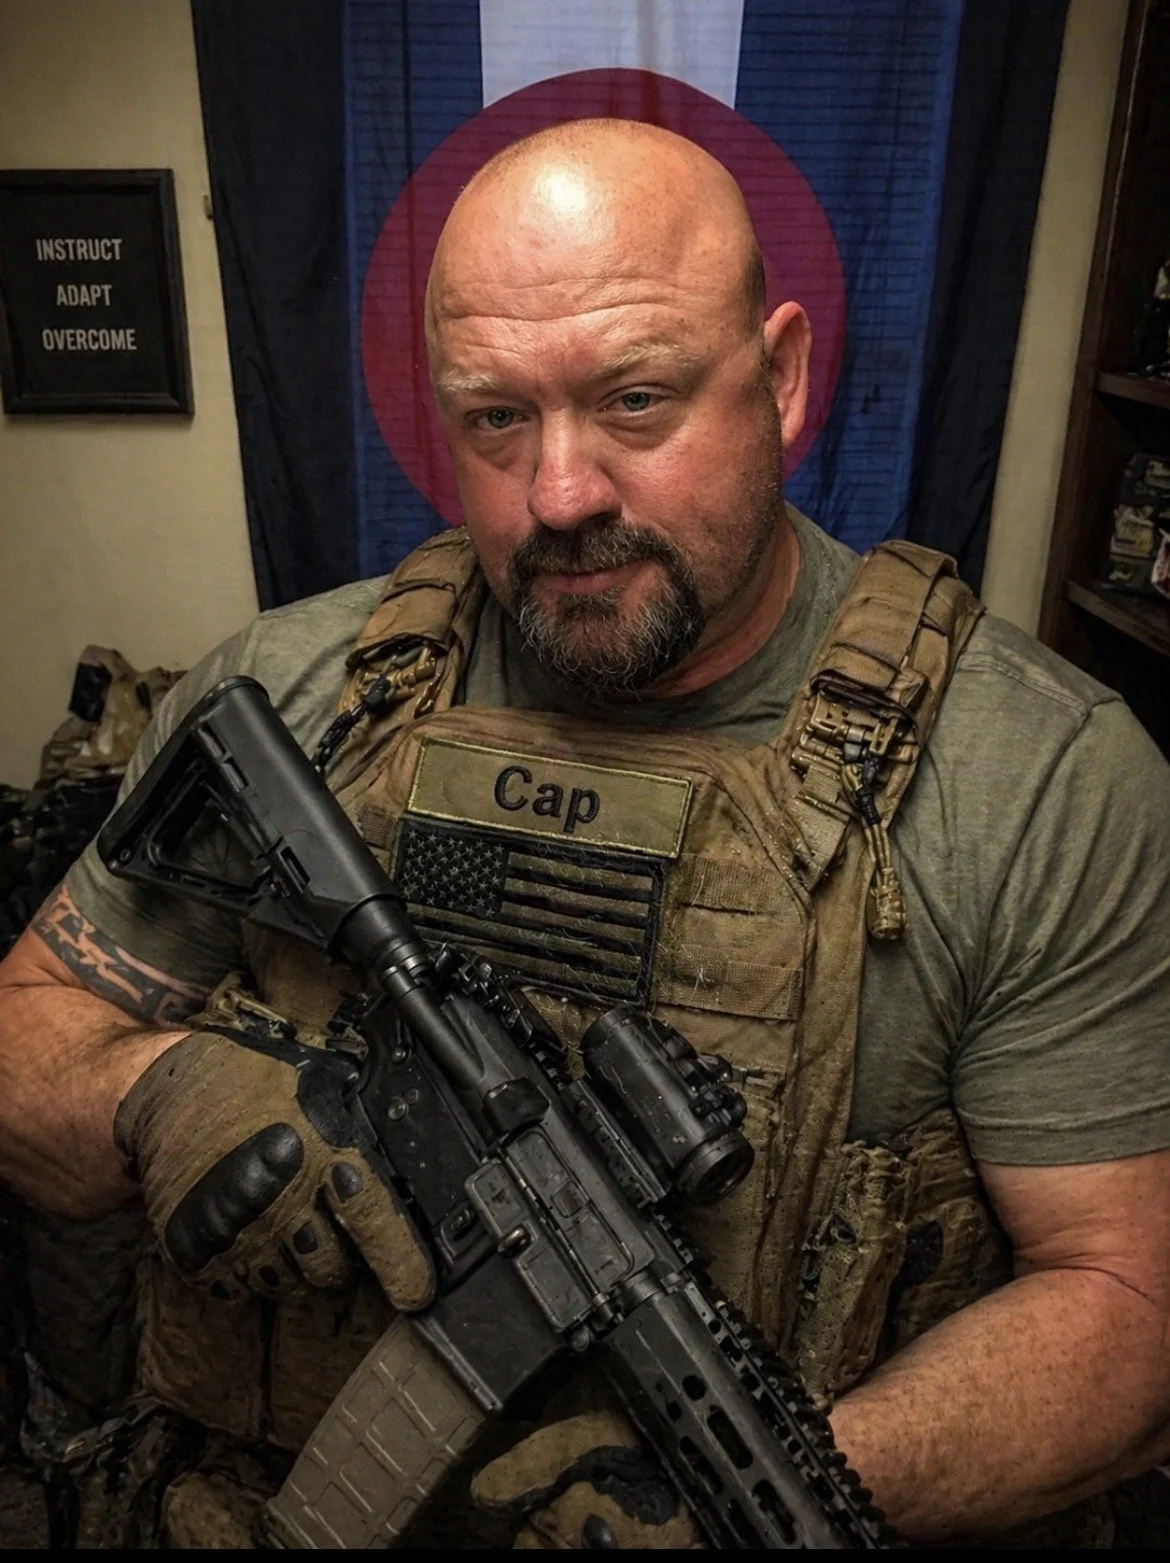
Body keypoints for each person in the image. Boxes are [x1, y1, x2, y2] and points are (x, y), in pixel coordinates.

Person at [1, 119, 1169, 1549]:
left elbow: (1128, 1305)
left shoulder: (1036, 777)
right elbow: (25, 1039)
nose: (560, 494)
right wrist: (162, 1091)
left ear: (785, 378)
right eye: (495, 419)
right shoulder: (300, 689)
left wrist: (783, 1491)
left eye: (635, 399)